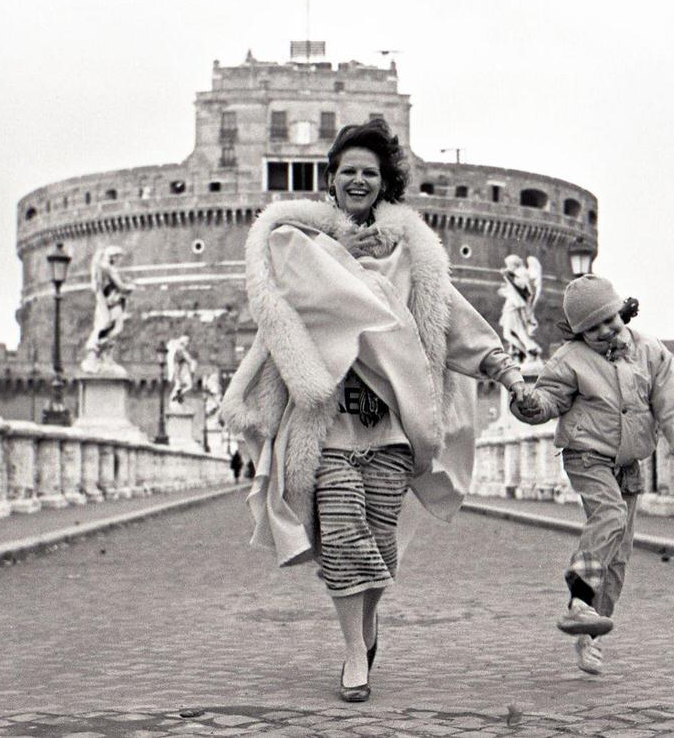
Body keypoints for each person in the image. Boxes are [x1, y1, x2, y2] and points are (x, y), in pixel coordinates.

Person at [222, 118, 543, 702]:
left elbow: (457, 323)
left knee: (379, 539)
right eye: (349, 172)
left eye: (370, 172)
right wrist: (340, 250)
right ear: (333, 180)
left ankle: (367, 624)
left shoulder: (413, 256)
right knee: (343, 531)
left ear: (384, 182)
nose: (359, 181)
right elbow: (284, 292)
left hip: (392, 427)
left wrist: (510, 375)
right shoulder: (297, 242)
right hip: (327, 425)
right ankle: (352, 654)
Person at [511, 274, 674, 674]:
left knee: (618, 559)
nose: (602, 331)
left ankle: (590, 635)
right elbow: (548, 399)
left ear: (622, 311)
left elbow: (673, 402)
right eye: (590, 328)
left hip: (628, 464)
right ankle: (578, 598)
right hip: (587, 455)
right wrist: (530, 406)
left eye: (607, 320)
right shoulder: (570, 359)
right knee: (609, 516)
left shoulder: (650, 351)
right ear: (578, 332)